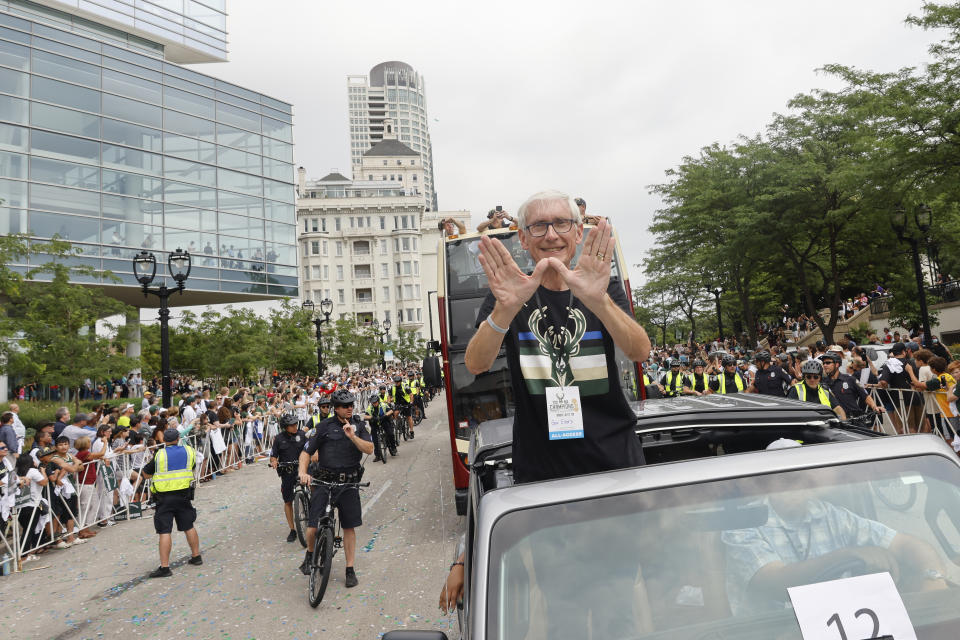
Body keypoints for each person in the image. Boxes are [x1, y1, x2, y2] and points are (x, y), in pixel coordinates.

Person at [466, 190, 650, 482]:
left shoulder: (605, 290)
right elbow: (476, 364)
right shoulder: (509, 295)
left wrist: (598, 300)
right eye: (538, 226)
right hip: (540, 468)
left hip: (616, 459)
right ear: (523, 239)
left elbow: (640, 351)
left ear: (578, 233)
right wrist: (506, 309)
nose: (551, 235)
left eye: (561, 223)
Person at [723, 443, 947, 615]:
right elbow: (773, 582)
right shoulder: (744, 523)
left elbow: (906, 544)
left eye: (803, 477)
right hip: (769, 632)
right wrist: (848, 556)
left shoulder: (832, 515)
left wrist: (933, 579)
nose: (797, 486)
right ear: (768, 481)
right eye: (786, 479)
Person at [297, 389, 374, 588]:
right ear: (336, 408)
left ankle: (350, 569)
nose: (349, 408)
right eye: (344, 406)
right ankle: (310, 553)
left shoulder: (358, 424)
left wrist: (352, 437)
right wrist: (303, 472)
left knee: (349, 526)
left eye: (351, 405)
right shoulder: (323, 427)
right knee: (313, 526)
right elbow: (306, 452)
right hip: (324, 481)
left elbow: (369, 449)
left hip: (348, 483)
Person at [142, 428, 203, 577]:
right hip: (184, 495)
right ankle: (196, 557)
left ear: (164, 441)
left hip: (164, 497)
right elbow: (192, 466)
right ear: (178, 438)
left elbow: (146, 473)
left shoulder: (160, 454)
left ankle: (164, 567)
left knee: (164, 531)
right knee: (189, 525)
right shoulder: (189, 451)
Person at [269, 414, 307, 543]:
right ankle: (292, 529)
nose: (295, 427)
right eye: (292, 425)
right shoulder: (279, 439)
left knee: (312, 490)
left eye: (296, 424)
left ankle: (313, 517)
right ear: (285, 427)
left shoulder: (302, 435)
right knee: (288, 501)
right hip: (287, 472)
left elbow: (310, 450)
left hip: (302, 470)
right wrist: (274, 461)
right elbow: (273, 455)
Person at [820, 352, 884, 418]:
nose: (825, 365)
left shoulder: (850, 379)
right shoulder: (822, 383)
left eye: (828, 363)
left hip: (853, 419)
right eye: (823, 363)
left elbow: (865, 395)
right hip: (834, 420)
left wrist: (874, 407)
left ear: (837, 364)